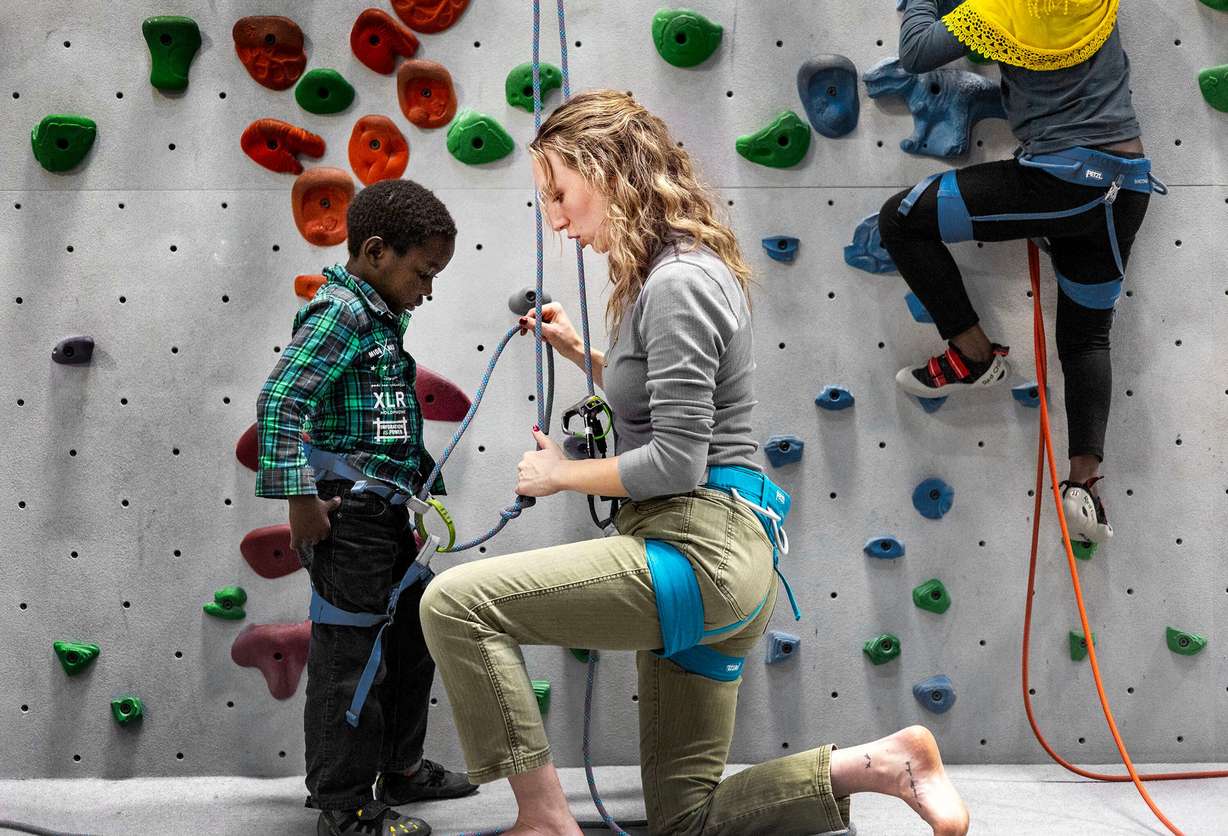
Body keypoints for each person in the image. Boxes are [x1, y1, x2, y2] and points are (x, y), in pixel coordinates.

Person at [418, 90, 970, 836]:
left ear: (607, 171)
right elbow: (673, 404)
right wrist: (583, 353)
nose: (555, 219)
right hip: (717, 564)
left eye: (558, 193)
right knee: (687, 820)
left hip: (695, 552)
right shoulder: (679, 274)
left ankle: (545, 821)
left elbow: (676, 462)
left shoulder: (677, 284)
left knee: (453, 603)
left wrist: (559, 476)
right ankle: (878, 764)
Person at [878, 0, 1162, 544]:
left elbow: (916, 50)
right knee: (1085, 338)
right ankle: (1083, 489)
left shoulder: (1002, 7)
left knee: (903, 220)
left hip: (1063, 183)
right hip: (1126, 188)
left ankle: (974, 357)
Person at [256, 178, 476, 836]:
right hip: (345, 520)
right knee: (350, 658)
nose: (428, 289)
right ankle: (345, 805)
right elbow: (279, 406)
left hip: (381, 518)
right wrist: (299, 502)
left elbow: (372, 424)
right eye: (424, 272)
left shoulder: (377, 318)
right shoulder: (340, 314)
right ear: (378, 252)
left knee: (414, 634)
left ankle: (399, 765)